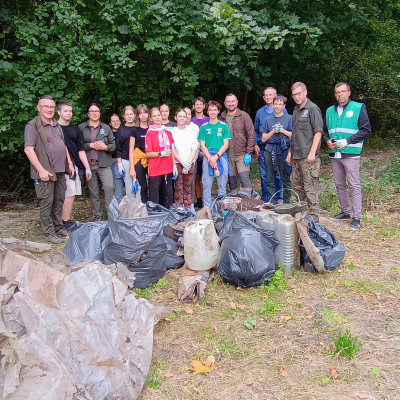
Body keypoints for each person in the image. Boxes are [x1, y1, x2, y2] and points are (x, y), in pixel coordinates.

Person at [24, 95, 75, 243]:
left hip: (60, 170)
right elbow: (29, 150)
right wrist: (40, 170)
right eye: (46, 106)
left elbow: (63, 145)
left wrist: (70, 163)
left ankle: (58, 226)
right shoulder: (33, 126)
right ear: (39, 108)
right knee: (47, 201)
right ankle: (49, 232)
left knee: (59, 200)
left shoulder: (56, 125)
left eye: (51, 107)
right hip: (45, 171)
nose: (49, 109)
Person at [323, 82, 371, 231]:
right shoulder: (330, 110)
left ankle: (356, 217)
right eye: (337, 92)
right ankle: (345, 212)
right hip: (334, 153)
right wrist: (327, 141)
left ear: (349, 93)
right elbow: (324, 130)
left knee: (354, 185)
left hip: (351, 153)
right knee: (339, 184)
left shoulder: (358, 108)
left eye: (342, 92)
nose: (340, 95)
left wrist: (347, 141)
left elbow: (366, 130)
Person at [287, 82, 323, 221]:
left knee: (309, 189)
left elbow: (318, 132)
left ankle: (314, 219)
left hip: (308, 157)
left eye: (299, 93)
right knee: (297, 189)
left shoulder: (312, 108)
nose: (296, 97)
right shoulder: (296, 110)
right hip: (296, 156)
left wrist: (312, 152)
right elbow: (295, 134)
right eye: (294, 94)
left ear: (305, 92)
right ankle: (301, 216)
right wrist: (290, 152)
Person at [57, 101, 92, 229]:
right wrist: (69, 163)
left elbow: (80, 149)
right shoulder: (54, 128)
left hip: (75, 165)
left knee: (72, 194)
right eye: (65, 111)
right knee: (67, 193)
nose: (68, 113)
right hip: (62, 166)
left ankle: (65, 220)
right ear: (59, 112)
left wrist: (87, 167)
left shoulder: (75, 129)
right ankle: (63, 221)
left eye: (70, 111)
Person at [79, 103, 115, 221]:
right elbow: (77, 146)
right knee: (94, 192)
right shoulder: (81, 128)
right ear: (88, 113)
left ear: (100, 113)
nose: (94, 113)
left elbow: (113, 145)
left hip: (104, 164)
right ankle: (98, 216)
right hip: (89, 165)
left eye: (97, 111)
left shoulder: (106, 128)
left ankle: (111, 216)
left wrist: (105, 147)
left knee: (109, 188)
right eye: (92, 111)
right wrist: (90, 145)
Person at [254, 87, 286, 202]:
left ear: (275, 96)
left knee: (279, 173)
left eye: (270, 95)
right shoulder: (260, 112)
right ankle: (266, 199)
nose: (268, 97)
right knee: (265, 175)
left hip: (279, 148)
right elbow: (256, 130)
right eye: (266, 95)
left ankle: (279, 198)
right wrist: (255, 144)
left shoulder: (283, 110)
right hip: (264, 147)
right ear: (263, 97)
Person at [198, 101, 231, 208]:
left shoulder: (224, 126)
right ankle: (207, 208)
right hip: (207, 158)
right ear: (207, 111)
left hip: (221, 157)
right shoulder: (203, 127)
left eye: (215, 110)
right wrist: (210, 158)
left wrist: (216, 157)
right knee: (207, 184)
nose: (212, 112)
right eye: (210, 110)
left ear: (218, 111)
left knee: (222, 185)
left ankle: (221, 208)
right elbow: (202, 145)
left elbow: (226, 144)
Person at [220, 93, 255, 192]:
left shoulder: (244, 116)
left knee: (245, 180)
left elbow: (251, 134)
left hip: (241, 155)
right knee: (232, 182)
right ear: (225, 103)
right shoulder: (221, 118)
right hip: (227, 156)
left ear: (237, 102)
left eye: (233, 101)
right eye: (228, 101)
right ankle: (234, 203)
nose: (231, 103)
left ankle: (247, 202)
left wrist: (248, 152)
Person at [261, 95, 293, 203]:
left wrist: (282, 131)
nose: (278, 106)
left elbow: (294, 135)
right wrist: (273, 131)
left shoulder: (289, 118)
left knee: (284, 176)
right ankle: (271, 201)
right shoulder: (268, 120)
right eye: (276, 104)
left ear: (284, 105)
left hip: (283, 149)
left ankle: (286, 202)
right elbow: (263, 138)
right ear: (273, 105)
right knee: (270, 177)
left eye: (280, 104)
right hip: (270, 150)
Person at [145, 107, 176, 208]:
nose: (157, 118)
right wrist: (161, 153)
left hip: (167, 168)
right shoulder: (150, 133)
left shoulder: (167, 132)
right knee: (155, 196)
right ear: (151, 118)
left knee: (168, 194)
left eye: (159, 115)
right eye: (154, 116)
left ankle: (168, 215)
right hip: (155, 169)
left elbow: (172, 150)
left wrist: (174, 165)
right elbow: (148, 153)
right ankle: (156, 217)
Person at [171, 109, 198, 209]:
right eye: (180, 116)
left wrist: (188, 163)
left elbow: (194, 148)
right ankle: (179, 208)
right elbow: (172, 149)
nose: (182, 118)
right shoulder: (172, 132)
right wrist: (182, 162)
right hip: (178, 163)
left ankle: (188, 207)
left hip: (189, 163)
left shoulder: (190, 131)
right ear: (175, 118)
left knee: (188, 187)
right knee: (178, 187)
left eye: (184, 116)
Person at [191, 97, 210, 209]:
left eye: (200, 104)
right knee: (197, 177)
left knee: (207, 176)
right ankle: (198, 199)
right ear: (193, 107)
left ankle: (209, 198)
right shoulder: (191, 121)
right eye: (196, 104)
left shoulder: (208, 120)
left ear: (204, 106)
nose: (198, 106)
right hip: (195, 152)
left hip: (207, 151)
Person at [129, 104, 150, 203]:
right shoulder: (134, 130)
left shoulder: (152, 128)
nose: (143, 115)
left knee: (153, 184)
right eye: (141, 113)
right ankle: (143, 206)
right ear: (137, 115)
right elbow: (131, 150)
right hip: (139, 159)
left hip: (151, 158)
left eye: (145, 113)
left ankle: (154, 205)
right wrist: (132, 168)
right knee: (143, 185)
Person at [115, 106, 136, 196]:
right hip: (126, 161)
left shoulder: (138, 128)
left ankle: (140, 209)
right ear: (124, 116)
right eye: (127, 114)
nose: (129, 116)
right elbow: (118, 148)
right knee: (129, 187)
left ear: (135, 115)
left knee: (139, 187)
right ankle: (131, 209)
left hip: (139, 161)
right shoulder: (120, 130)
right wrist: (120, 165)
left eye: (131, 114)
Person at [109, 114, 124, 201]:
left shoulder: (124, 132)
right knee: (118, 188)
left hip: (126, 161)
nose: (115, 122)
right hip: (114, 162)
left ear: (120, 121)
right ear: (110, 123)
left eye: (117, 120)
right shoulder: (109, 134)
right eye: (113, 121)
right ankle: (119, 211)